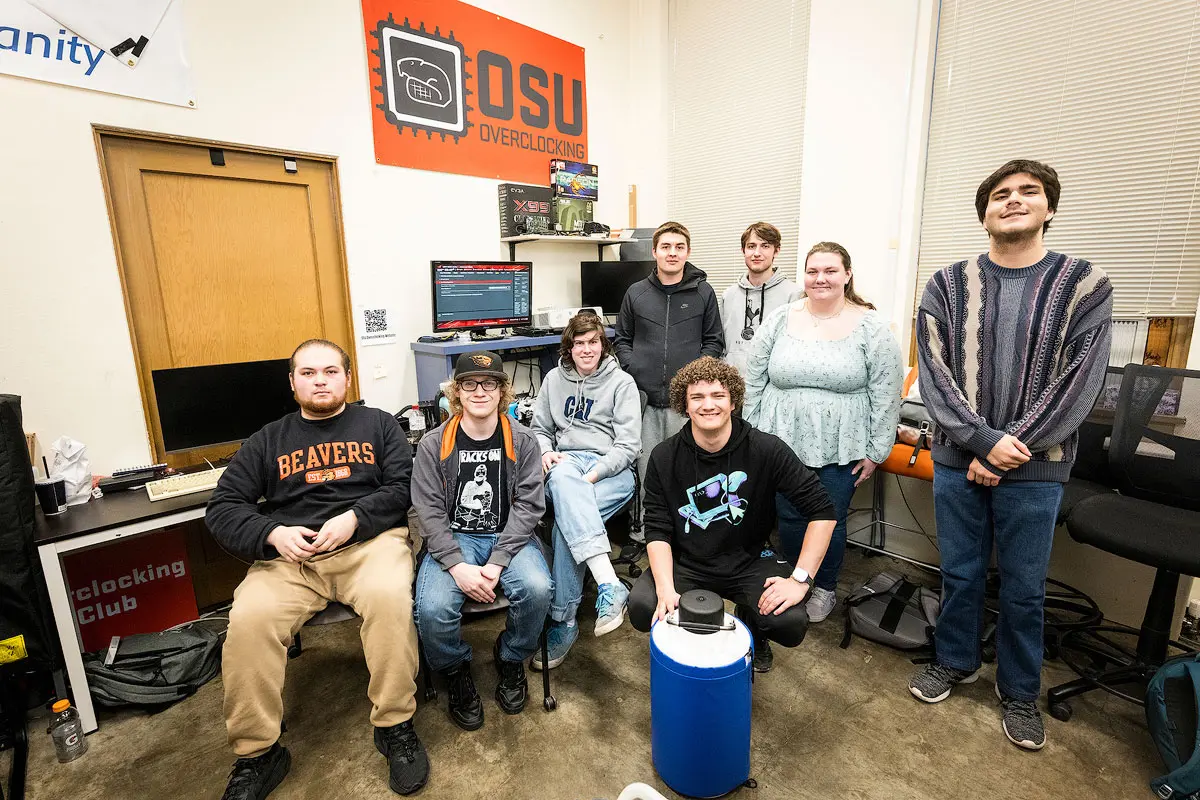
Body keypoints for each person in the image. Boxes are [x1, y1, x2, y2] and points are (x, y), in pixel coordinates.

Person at [909, 159, 1113, 751]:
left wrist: (1000, 451)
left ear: (1050, 207)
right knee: (960, 574)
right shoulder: (946, 285)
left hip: (1037, 467)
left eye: (1029, 193)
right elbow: (936, 375)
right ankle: (955, 661)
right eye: (1001, 194)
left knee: (1024, 588)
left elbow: (1081, 382)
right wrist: (980, 442)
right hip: (957, 462)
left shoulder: (1085, 286)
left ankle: (1020, 691)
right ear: (984, 214)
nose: (1014, 201)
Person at [206, 339, 427, 800]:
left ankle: (394, 725)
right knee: (247, 620)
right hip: (292, 559)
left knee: (391, 599)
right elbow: (223, 508)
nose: (320, 380)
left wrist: (355, 518)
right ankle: (258, 753)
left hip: (368, 545)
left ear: (348, 378)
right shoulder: (267, 439)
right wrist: (271, 533)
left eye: (330, 371)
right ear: (293, 383)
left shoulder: (379, 425)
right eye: (308, 373)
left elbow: (405, 485)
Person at [627, 356, 837, 673]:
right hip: (690, 561)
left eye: (718, 395)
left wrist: (800, 580)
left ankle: (752, 625)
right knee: (644, 607)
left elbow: (823, 511)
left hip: (749, 558)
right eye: (697, 397)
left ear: (733, 400)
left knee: (790, 624)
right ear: (684, 404)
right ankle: (698, 641)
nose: (707, 405)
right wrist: (666, 588)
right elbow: (657, 528)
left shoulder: (766, 449)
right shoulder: (664, 456)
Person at [743, 242, 904, 624]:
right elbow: (754, 378)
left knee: (828, 518)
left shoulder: (871, 327)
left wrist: (877, 450)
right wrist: (749, 434)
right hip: (780, 438)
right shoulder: (782, 318)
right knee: (789, 516)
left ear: (847, 275)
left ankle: (825, 586)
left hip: (842, 442)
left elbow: (887, 391)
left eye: (830, 271)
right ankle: (792, 579)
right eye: (813, 271)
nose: (821, 279)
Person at [411, 351, 553, 731]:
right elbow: (427, 511)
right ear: (456, 392)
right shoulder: (432, 444)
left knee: (538, 588)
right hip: (454, 537)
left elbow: (529, 506)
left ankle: (510, 657)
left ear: (502, 391)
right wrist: (457, 565)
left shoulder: (523, 441)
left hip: (508, 534)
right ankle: (454, 669)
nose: (479, 391)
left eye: (489, 383)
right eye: (469, 384)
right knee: (432, 609)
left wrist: (497, 562)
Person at [530, 312, 641, 669]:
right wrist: (546, 451)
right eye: (579, 343)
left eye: (593, 341)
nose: (586, 349)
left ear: (602, 344)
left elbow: (629, 447)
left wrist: (593, 474)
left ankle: (563, 620)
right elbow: (539, 429)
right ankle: (609, 586)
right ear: (569, 347)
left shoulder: (621, 383)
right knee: (564, 487)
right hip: (565, 464)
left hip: (612, 470)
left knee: (568, 509)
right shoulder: (552, 379)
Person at [613, 221, 725, 552]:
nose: (672, 253)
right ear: (655, 252)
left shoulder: (703, 292)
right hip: (644, 400)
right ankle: (641, 533)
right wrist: (634, 367)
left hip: (685, 403)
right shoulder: (636, 293)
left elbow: (714, 341)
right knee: (646, 471)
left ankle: (687, 536)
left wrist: (694, 378)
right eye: (666, 247)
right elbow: (622, 339)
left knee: (688, 473)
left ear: (687, 252)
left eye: (679, 247)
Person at [720, 221, 801, 375]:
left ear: (776, 251)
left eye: (765, 246)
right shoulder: (728, 295)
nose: (757, 253)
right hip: (733, 385)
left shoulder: (794, 295)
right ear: (743, 250)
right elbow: (721, 345)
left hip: (773, 386)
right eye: (751, 246)